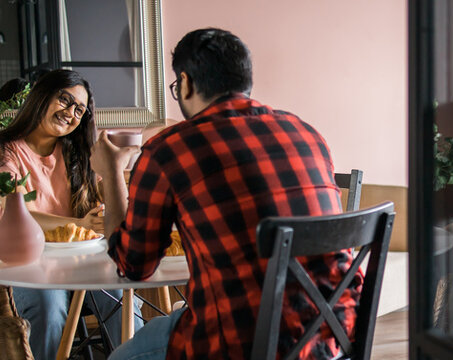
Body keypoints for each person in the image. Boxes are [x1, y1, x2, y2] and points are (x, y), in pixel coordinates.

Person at [95, 28, 361, 360]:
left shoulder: (170, 150)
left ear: (186, 83)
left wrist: (109, 172)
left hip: (241, 343)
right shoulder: (307, 133)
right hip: (333, 334)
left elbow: (134, 266)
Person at [0, 69, 144, 360]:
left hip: (82, 261)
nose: (70, 113)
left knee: (122, 297)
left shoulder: (78, 153)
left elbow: (107, 204)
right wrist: (79, 223)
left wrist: (113, 174)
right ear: (41, 96)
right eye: (64, 100)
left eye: (79, 110)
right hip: (27, 263)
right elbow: (15, 212)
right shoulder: (1, 149)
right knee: (48, 307)